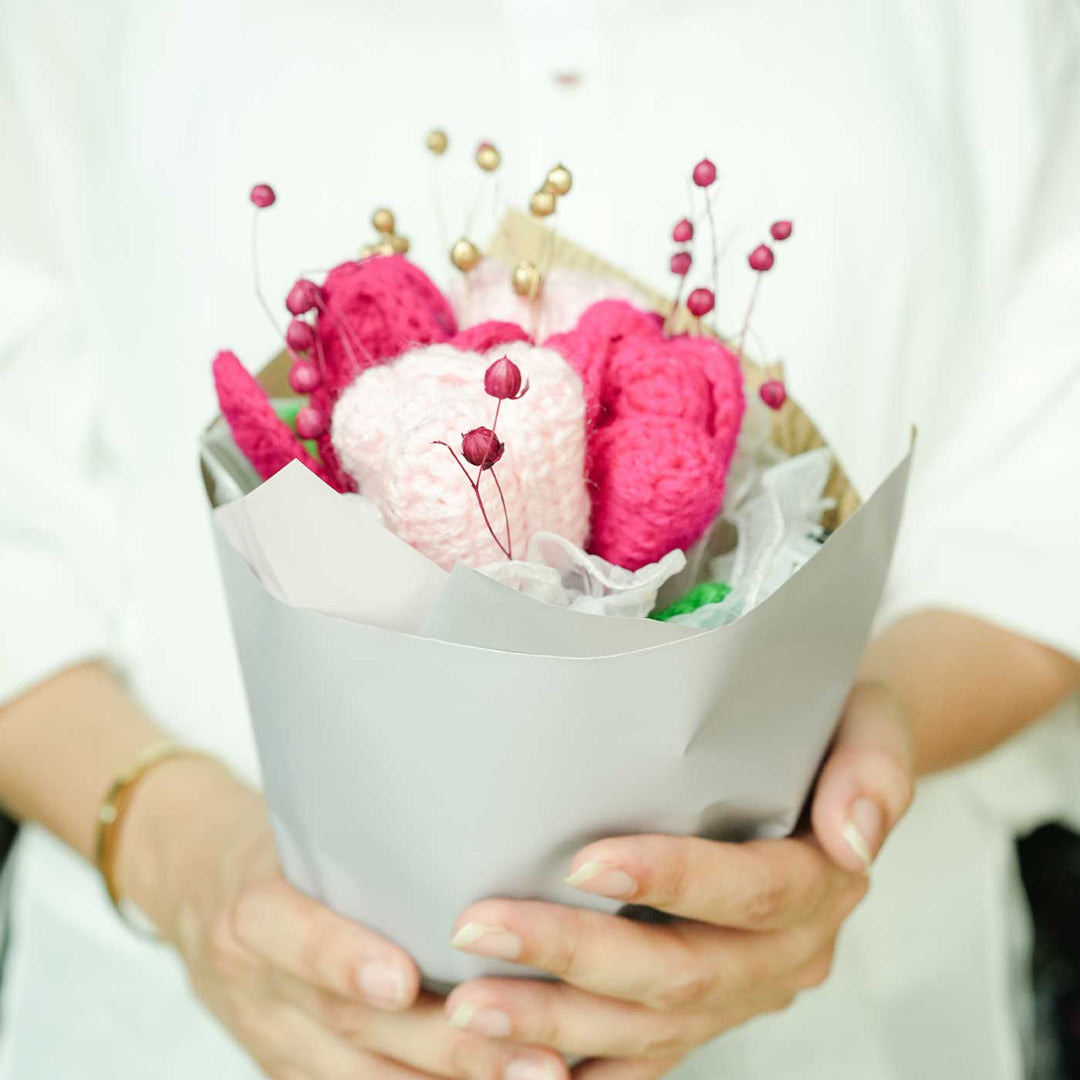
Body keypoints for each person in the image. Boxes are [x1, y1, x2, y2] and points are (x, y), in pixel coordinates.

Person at [1, 1, 1079, 1078]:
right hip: (179, 1020)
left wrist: (876, 738)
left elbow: (1044, 489)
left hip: (850, 1023)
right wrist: (171, 848)